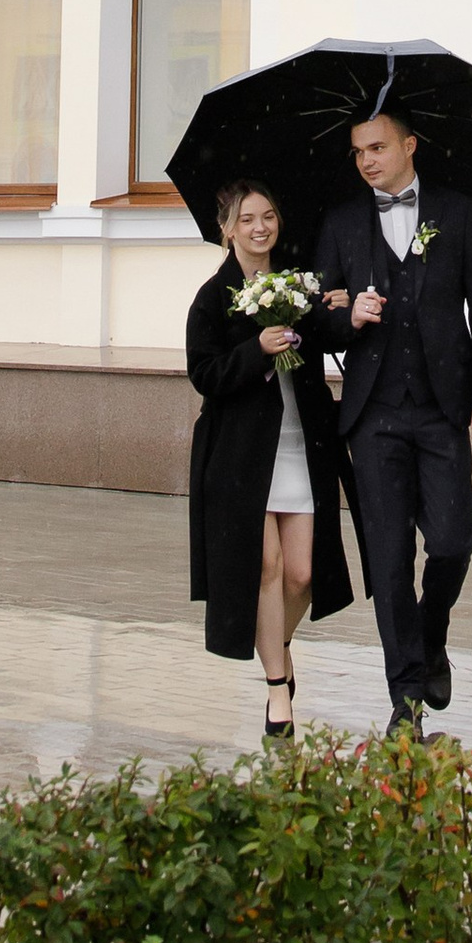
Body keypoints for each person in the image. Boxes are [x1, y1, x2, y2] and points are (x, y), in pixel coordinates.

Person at [314, 102, 472, 734]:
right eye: (359, 152)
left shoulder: (456, 213)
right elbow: (315, 318)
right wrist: (348, 318)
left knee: (452, 541)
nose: (367, 161)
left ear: (410, 146)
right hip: (372, 417)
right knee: (390, 561)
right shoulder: (341, 224)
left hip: (442, 409)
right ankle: (406, 704)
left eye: (378, 148)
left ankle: (434, 632)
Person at [184, 177, 358, 736]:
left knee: (303, 575)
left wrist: (340, 310)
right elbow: (203, 374)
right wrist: (255, 351)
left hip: (299, 448)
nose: (261, 228)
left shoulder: (296, 286)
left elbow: (328, 337)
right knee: (268, 568)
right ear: (227, 228)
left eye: (269, 218)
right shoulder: (213, 299)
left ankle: (275, 644)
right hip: (241, 458)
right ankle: (277, 689)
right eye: (248, 219)